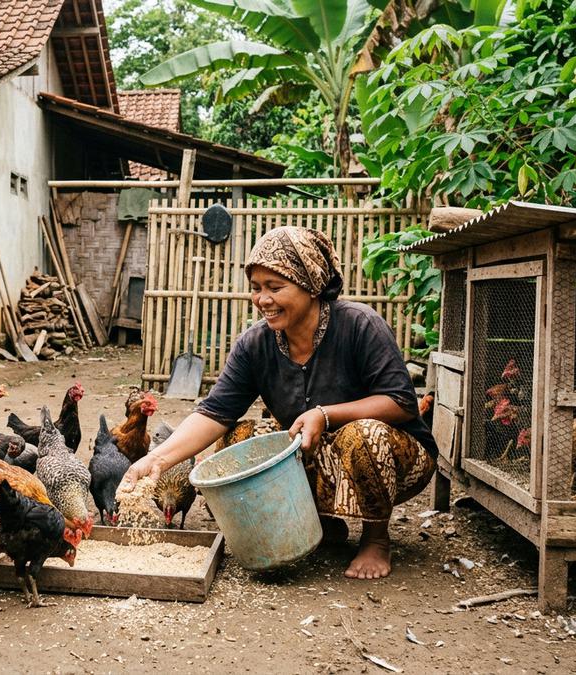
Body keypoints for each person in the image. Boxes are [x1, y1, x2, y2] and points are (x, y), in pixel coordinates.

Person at [120, 226, 437, 579]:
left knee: (362, 435)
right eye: (256, 288)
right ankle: (323, 522)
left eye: (275, 287)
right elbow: (215, 413)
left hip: (397, 460)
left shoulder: (360, 325)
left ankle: (376, 538)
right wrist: (156, 460)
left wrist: (325, 414)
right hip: (314, 452)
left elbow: (401, 401)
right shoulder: (255, 344)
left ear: (311, 284)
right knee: (238, 439)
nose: (263, 299)